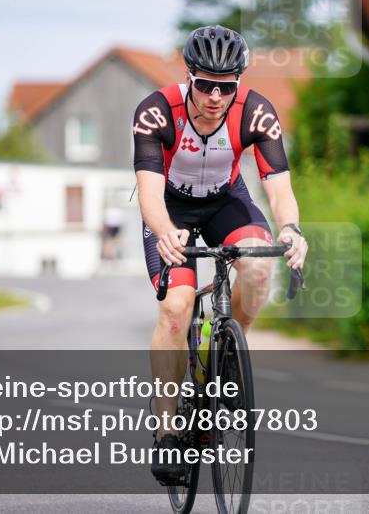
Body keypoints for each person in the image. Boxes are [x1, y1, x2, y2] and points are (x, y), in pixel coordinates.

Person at [132, 25, 308, 484]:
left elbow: (279, 189)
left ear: (238, 84)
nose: (214, 96)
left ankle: (228, 353)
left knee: (257, 266)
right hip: (170, 207)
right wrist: (166, 232)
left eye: (225, 87)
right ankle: (169, 432)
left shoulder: (256, 112)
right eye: (205, 84)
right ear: (189, 76)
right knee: (175, 308)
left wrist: (290, 229)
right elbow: (148, 193)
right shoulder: (155, 113)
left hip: (226, 200)